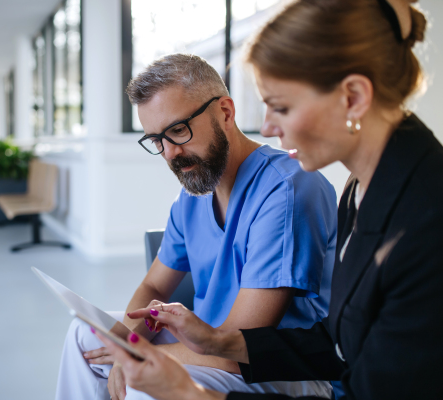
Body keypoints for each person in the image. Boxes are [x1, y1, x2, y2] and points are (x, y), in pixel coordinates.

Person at [92, 0, 443, 399]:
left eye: (281, 107)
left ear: (352, 97)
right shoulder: (360, 190)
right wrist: (215, 341)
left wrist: (192, 394)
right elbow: (335, 341)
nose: (269, 127)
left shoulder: (425, 226)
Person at [55, 54, 338, 399]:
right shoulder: (192, 195)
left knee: (145, 384)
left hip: (281, 368)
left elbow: (241, 344)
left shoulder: (288, 189)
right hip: (207, 346)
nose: (170, 153)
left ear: (226, 112)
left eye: (178, 130)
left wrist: (137, 357)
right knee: (84, 335)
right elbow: (155, 285)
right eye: (157, 140)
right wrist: (128, 343)